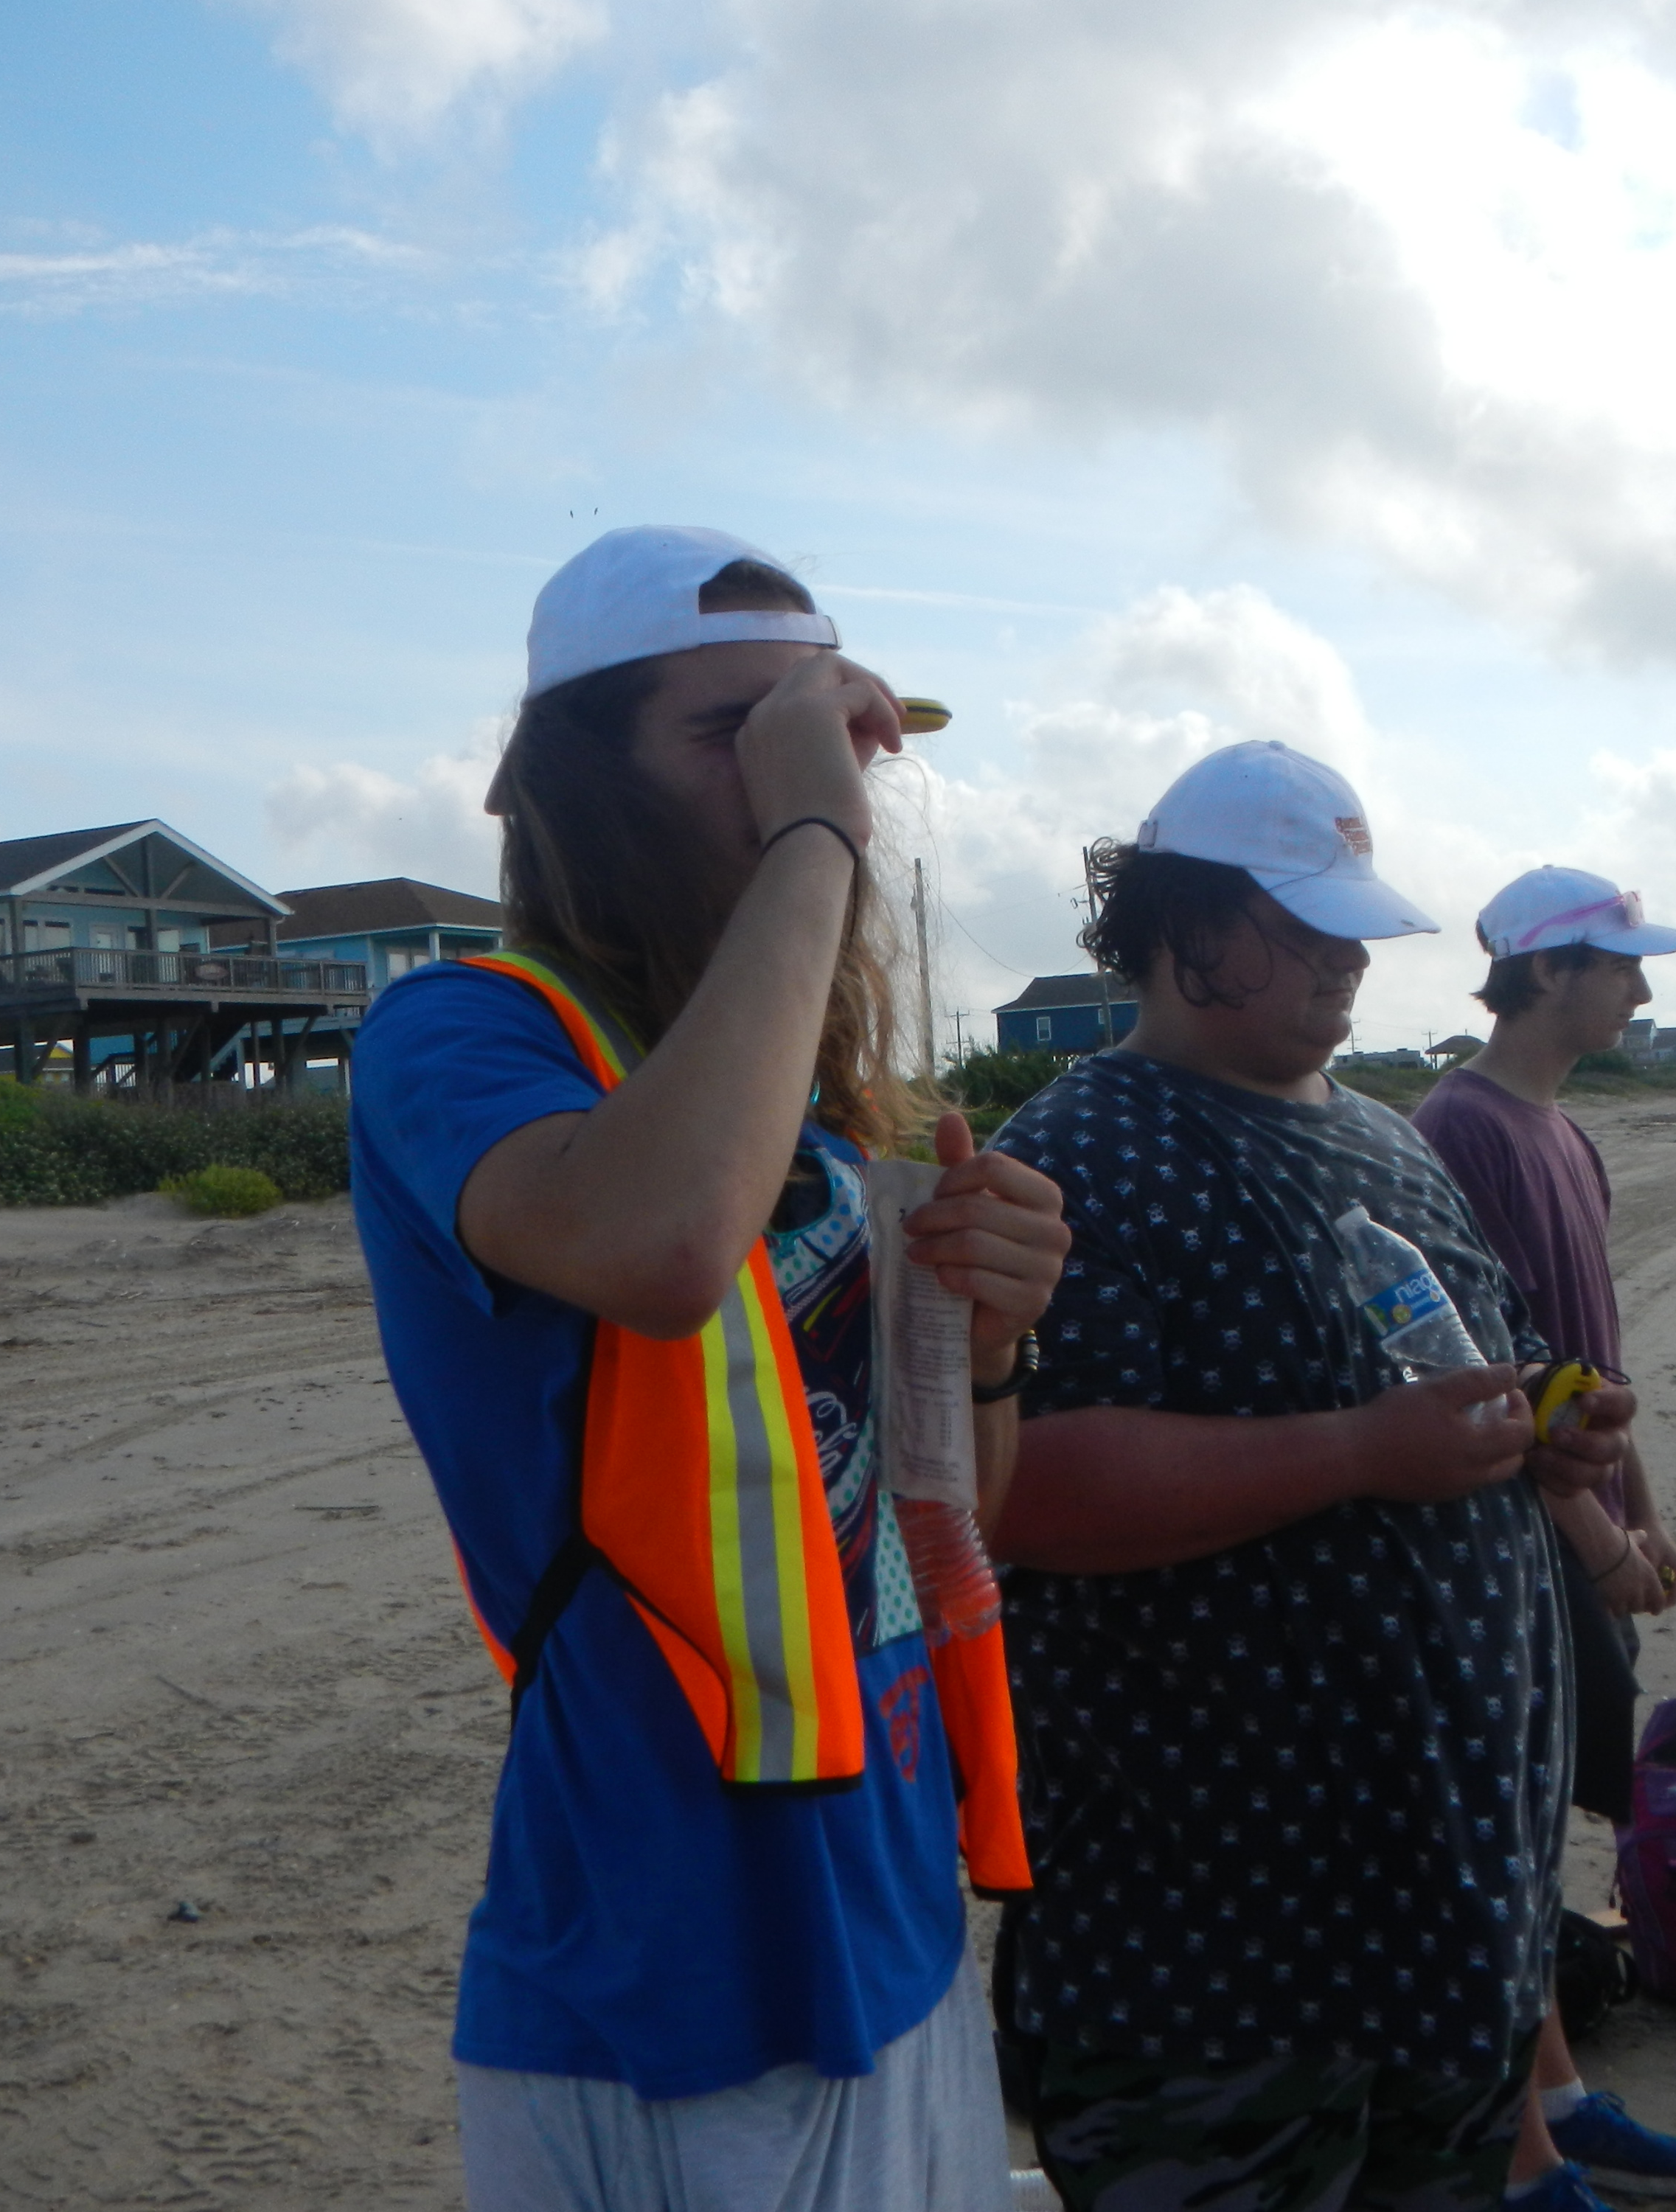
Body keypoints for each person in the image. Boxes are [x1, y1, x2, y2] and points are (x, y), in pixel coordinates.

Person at [350, 525, 1071, 2212]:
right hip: (668, 1974)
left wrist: (988, 1353)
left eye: (820, 735)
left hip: (894, 1915)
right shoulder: (464, 1035)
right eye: (734, 734)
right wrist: (814, 832)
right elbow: (663, 1247)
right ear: (575, 780)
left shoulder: (811, 1119)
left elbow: (940, 1527)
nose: (799, 774)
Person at [989, 740, 1641, 2212]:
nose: (1348, 959)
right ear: (1179, 927)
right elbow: (1025, 1487)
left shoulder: (1387, 1144)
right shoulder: (1079, 1153)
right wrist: (1359, 1452)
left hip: (1450, 1919)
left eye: (1353, 926)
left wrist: (1553, 1427)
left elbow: (1482, 1360)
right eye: (1304, 927)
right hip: (1215, 1958)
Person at [1414, 865, 1676, 2205]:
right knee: (1503, 1819)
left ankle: (1559, 2101)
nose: (1642, 991)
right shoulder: (1459, 1131)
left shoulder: (1565, 1136)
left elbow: (1592, 1364)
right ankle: (1517, 2138)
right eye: (1621, 964)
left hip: (1581, 1516)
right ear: (1547, 971)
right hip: (1507, 1532)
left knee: (1537, 1819)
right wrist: (1597, 1542)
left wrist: (1644, 1512)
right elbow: (1484, 1372)